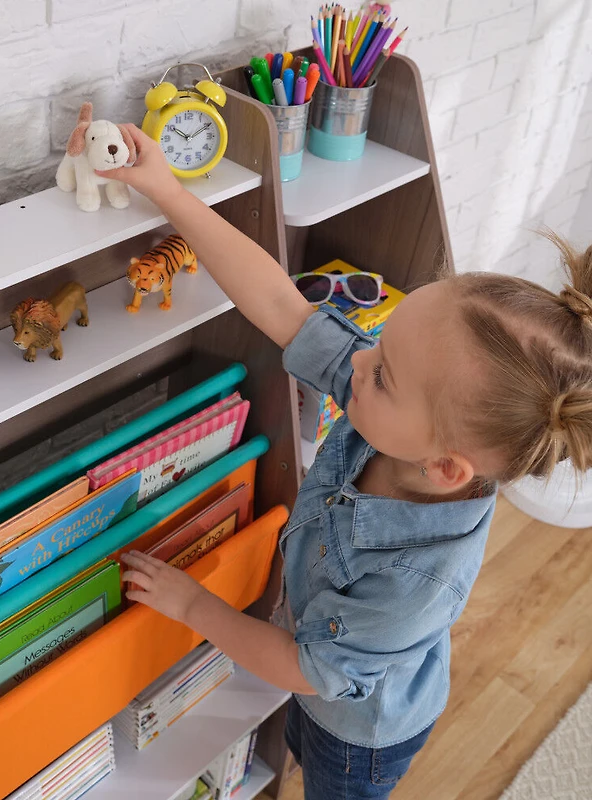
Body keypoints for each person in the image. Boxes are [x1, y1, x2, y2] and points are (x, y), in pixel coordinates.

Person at [105, 124, 592, 798]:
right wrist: (167, 191)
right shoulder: (395, 412)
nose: (357, 360)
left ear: (446, 466)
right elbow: (280, 302)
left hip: (361, 736)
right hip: (329, 662)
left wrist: (194, 605)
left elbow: (308, 670)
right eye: (380, 345)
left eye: (384, 372)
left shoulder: (413, 582)